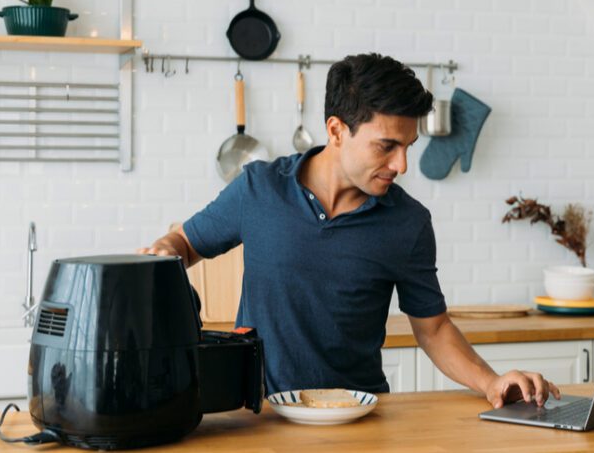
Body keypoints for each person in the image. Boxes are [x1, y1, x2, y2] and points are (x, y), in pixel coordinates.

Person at [138, 53, 560, 409]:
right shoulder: (258, 189)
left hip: (357, 418)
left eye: (407, 147)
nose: (402, 166)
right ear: (337, 131)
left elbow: (433, 329)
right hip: (261, 414)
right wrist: (164, 250)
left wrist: (490, 382)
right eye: (386, 146)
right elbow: (187, 243)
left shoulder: (408, 223)